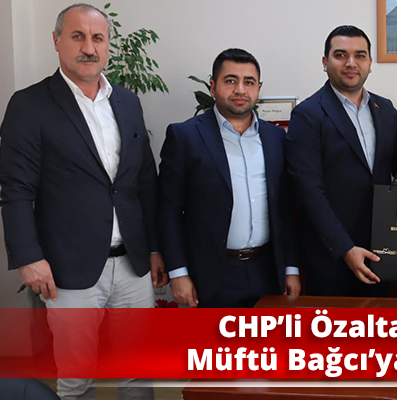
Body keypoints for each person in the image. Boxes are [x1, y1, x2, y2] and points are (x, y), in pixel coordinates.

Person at [0, 3, 164, 399]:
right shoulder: (29, 104)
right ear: (57, 41)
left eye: (98, 38)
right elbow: (15, 187)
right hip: (68, 268)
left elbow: (144, 180)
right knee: (77, 377)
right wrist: (28, 257)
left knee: (138, 371)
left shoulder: (127, 102)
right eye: (78, 36)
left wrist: (156, 248)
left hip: (133, 264)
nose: (89, 48)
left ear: (107, 46)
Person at [286, 25, 397, 296]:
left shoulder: (385, 109)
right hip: (331, 254)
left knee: (379, 322)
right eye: (341, 55)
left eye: (360, 55)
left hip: (382, 249)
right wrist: (345, 248)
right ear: (325, 62)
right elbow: (308, 192)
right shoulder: (307, 114)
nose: (351, 63)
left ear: (370, 63)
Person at [158, 48, 300, 308]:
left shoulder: (276, 138)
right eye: (231, 80)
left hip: (267, 271)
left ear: (258, 89)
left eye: (249, 82)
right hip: (211, 274)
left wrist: (291, 268)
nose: (240, 90)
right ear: (213, 87)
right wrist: (178, 273)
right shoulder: (184, 136)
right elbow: (168, 210)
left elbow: (285, 209)